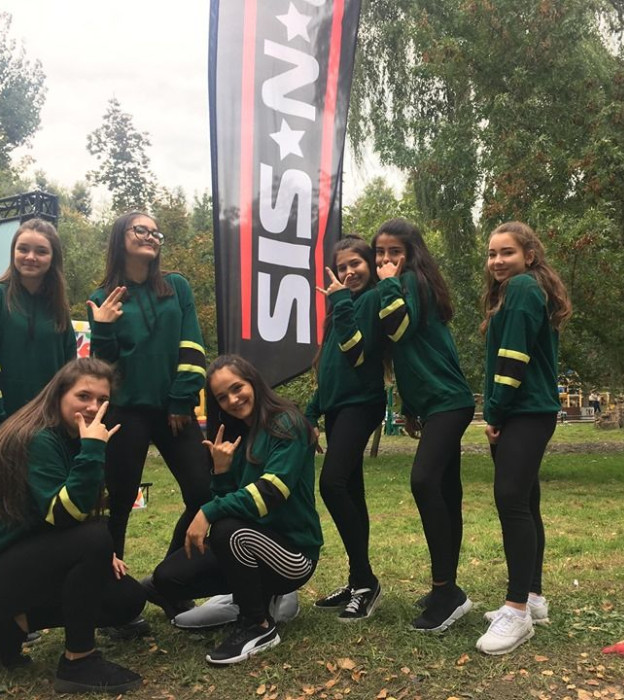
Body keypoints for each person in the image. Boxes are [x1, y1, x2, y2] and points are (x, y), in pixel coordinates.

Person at [148, 355, 322, 664]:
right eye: (222, 397)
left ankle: (259, 625)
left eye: (237, 388)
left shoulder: (287, 422)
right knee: (167, 578)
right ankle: (248, 597)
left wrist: (207, 512)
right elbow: (230, 502)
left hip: (294, 555)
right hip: (249, 542)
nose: (232, 399)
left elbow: (271, 493)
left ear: (253, 381)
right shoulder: (237, 433)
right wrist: (221, 472)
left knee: (227, 530)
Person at [0, 358, 145, 694]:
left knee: (126, 598)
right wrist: (93, 449)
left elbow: (79, 510)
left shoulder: (72, 437)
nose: (93, 406)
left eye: (102, 399)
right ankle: (79, 661)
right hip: (8, 559)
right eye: (83, 396)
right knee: (94, 539)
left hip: (26, 558)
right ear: (58, 395)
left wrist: (100, 552)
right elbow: (62, 514)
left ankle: (12, 626)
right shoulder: (40, 438)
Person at [87, 211, 211, 566]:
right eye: (141, 229)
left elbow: (192, 346)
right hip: (125, 411)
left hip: (175, 409)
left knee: (204, 492)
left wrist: (181, 398)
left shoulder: (177, 286)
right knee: (119, 502)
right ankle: (111, 588)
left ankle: (167, 579)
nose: (150, 236)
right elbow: (103, 369)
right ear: (120, 237)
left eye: (156, 233)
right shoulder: (103, 296)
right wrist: (104, 329)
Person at [372, 218, 475, 633]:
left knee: (424, 481)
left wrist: (387, 284)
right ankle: (446, 588)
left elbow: (398, 328)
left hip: (449, 402)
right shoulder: (407, 283)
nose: (385, 260)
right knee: (447, 491)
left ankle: (446, 592)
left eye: (394, 252)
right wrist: (411, 408)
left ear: (411, 253)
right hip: (436, 406)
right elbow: (413, 356)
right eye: (379, 253)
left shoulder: (411, 281)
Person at [477, 221, 572, 655]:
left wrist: (495, 412)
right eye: (492, 253)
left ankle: (516, 612)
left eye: (507, 252)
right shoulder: (529, 289)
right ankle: (532, 597)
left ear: (529, 256)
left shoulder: (520, 288)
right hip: (531, 410)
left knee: (511, 501)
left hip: (524, 411)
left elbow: (513, 358)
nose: (497, 261)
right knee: (527, 503)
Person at [306, 236, 386, 621]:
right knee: (352, 490)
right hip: (338, 408)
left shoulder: (370, 300)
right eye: (342, 268)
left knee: (332, 484)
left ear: (370, 264)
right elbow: (329, 371)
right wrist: (311, 414)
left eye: (356, 263)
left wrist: (340, 302)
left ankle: (366, 581)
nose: (349, 272)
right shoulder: (342, 306)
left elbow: (356, 354)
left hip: (362, 403)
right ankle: (358, 580)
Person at [0, 218, 77, 421]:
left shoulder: (59, 306)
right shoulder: (1, 296)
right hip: (6, 417)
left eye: (41, 251)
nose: (30, 257)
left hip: (49, 418)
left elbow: (69, 367)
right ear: (13, 252)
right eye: (23, 249)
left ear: (53, 257)